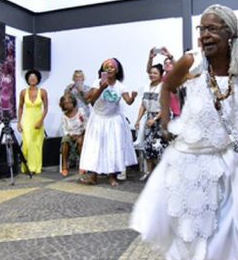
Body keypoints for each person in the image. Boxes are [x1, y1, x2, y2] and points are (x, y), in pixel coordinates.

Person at [130, 4, 238, 260]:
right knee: (200, 233)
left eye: (212, 29)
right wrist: (165, 120)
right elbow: (168, 86)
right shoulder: (191, 61)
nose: (205, 35)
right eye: (202, 29)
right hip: (194, 161)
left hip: (234, 161)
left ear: (230, 33)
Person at [79, 58, 138, 187]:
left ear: (117, 70)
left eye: (112, 67)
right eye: (106, 67)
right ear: (103, 70)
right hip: (98, 119)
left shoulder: (121, 86)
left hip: (114, 120)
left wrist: (133, 97)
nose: (109, 69)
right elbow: (91, 99)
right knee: (96, 147)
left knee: (113, 148)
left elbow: (128, 101)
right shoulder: (97, 82)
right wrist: (101, 87)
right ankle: (93, 176)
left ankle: (112, 177)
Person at [134, 63, 166, 181]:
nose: (152, 75)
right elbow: (143, 105)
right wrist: (138, 120)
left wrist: (155, 119)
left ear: (161, 75)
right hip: (149, 119)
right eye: (151, 73)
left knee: (159, 147)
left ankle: (162, 175)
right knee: (147, 147)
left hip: (160, 119)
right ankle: (149, 172)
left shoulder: (163, 87)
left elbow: (165, 107)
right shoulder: (147, 86)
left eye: (155, 73)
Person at [17, 69, 48, 175]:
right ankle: (29, 167)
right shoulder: (23, 92)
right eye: (30, 77)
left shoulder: (43, 92)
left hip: (38, 119)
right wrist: (19, 122)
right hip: (27, 120)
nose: (32, 79)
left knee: (37, 144)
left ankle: (36, 167)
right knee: (27, 143)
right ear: (27, 80)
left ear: (38, 79)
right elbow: (20, 107)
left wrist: (41, 121)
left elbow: (46, 108)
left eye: (34, 77)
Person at [59, 94, 86, 177]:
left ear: (73, 102)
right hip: (70, 135)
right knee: (65, 141)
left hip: (81, 134)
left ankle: (83, 165)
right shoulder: (64, 117)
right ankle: (64, 166)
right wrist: (70, 135)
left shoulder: (80, 111)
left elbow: (85, 124)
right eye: (65, 103)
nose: (68, 105)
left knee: (80, 141)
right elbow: (64, 129)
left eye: (69, 102)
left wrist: (80, 134)